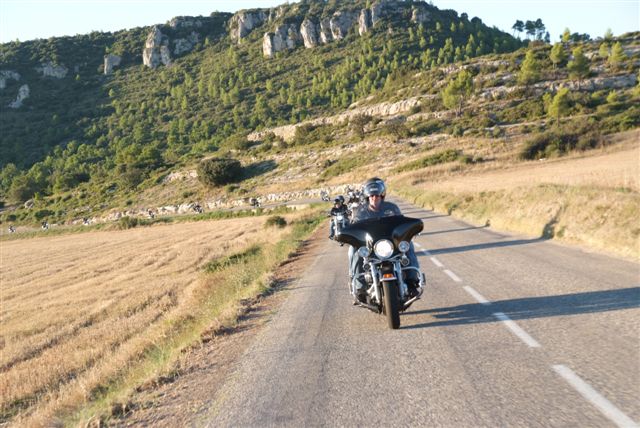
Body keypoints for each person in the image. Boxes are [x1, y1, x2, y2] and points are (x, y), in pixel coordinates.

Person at [349, 177, 421, 300]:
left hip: (390, 243)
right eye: (371, 196)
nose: (374, 198)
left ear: (382, 196)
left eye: (377, 195)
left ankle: (411, 282)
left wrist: (410, 231)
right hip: (370, 245)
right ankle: (359, 287)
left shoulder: (392, 208)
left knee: (408, 245)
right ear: (367, 197)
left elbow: (401, 223)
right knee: (353, 250)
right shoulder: (360, 211)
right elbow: (354, 228)